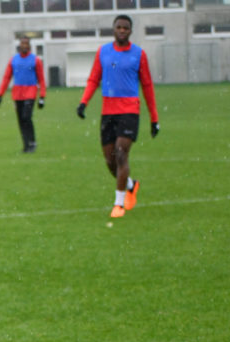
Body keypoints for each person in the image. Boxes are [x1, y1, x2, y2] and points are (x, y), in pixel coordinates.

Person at [77, 14, 159, 218]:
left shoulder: (138, 54)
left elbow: (147, 86)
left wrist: (154, 118)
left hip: (129, 110)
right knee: (110, 161)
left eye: (126, 27)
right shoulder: (103, 52)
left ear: (130, 31)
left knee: (121, 153)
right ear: (113, 29)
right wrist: (83, 102)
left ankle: (118, 204)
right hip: (108, 111)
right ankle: (131, 185)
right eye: (119, 27)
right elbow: (93, 79)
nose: (122, 30)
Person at [0, 37, 47, 153]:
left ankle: (32, 142)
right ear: (19, 46)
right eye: (22, 44)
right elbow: (7, 78)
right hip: (17, 94)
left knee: (26, 117)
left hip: (30, 93)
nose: (24, 46)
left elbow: (41, 79)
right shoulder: (14, 60)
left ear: (29, 46)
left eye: (26, 44)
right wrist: (0, 94)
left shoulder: (35, 60)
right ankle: (26, 145)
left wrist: (42, 97)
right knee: (21, 120)